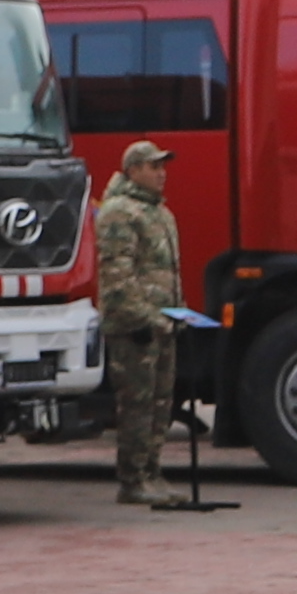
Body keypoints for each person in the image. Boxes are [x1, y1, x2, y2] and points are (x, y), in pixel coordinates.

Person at [90, 139, 184, 504]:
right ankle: (132, 479)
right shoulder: (119, 213)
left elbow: (166, 272)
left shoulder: (160, 213)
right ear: (133, 170)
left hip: (163, 324)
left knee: (161, 402)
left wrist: (178, 312)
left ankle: (152, 472)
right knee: (137, 404)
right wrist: (144, 317)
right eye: (153, 166)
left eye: (163, 166)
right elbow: (117, 277)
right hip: (136, 328)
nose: (161, 174)